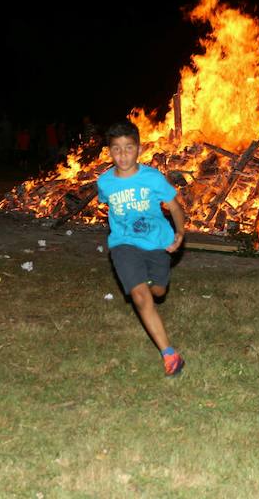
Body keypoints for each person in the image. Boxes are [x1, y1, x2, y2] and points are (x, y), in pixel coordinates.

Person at [96, 121, 186, 377]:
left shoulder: (153, 178)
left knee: (158, 291)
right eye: (116, 149)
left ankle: (148, 280)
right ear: (109, 152)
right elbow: (106, 204)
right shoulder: (105, 182)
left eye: (128, 148)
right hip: (123, 244)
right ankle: (170, 355)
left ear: (139, 149)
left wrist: (180, 233)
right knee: (140, 296)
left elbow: (176, 207)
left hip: (157, 242)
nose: (123, 155)